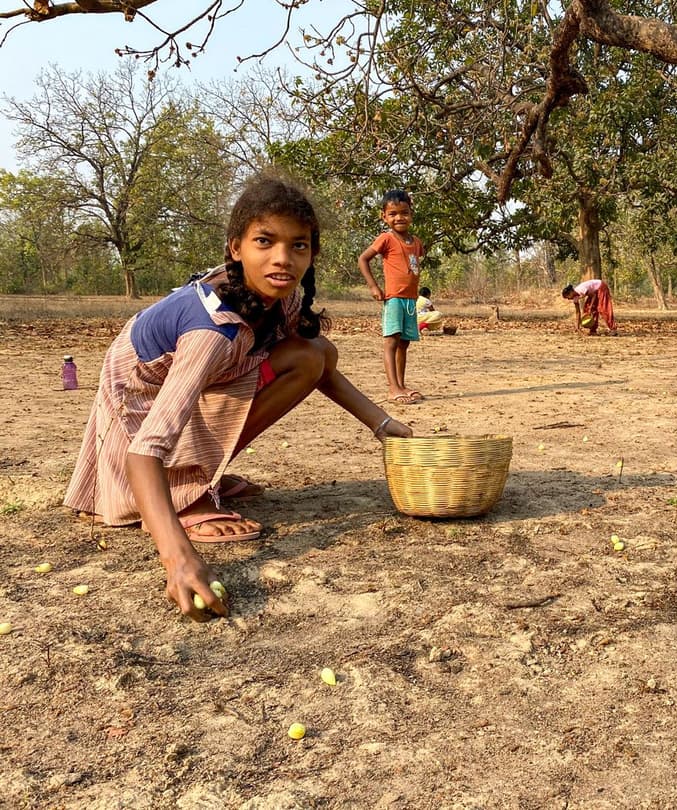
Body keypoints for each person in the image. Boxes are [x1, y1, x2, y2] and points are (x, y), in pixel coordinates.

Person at [63, 172, 412, 620]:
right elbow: (144, 450)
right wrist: (178, 559)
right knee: (164, 449)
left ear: (312, 253)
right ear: (236, 248)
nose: (282, 259)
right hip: (136, 396)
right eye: (264, 242)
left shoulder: (279, 297)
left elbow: (320, 366)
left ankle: (193, 475)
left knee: (313, 353)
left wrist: (384, 427)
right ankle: (184, 496)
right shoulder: (212, 331)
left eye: (298, 245)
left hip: (200, 373)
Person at [357, 189, 426, 404]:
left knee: (404, 343)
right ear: (384, 216)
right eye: (393, 213)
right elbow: (363, 259)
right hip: (394, 298)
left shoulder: (416, 242)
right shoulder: (386, 239)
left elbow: (413, 265)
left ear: (411, 214)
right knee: (391, 342)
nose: (399, 218)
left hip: (410, 300)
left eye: (404, 213)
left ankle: (402, 385)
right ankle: (393, 388)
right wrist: (374, 287)